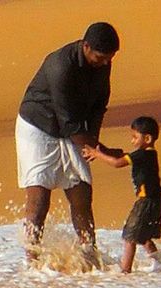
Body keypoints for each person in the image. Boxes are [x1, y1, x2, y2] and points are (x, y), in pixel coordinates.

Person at [16, 22, 123, 265]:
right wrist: (101, 150)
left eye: (110, 58)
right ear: (86, 46)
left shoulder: (102, 63)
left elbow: (98, 107)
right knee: (39, 198)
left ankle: (89, 255)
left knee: (81, 193)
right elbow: (69, 121)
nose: (106, 63)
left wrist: (93, 143)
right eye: (101, 57)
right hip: (38, 126)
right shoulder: (60, 66)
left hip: (72, 129)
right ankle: (32, 262)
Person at [82, 116, 161, 273]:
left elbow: (117, 163)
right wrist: (105, 152)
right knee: (143, 236)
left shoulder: (142, 155)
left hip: (145, 201)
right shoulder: (148, 155)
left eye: (135, 137)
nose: (132, 141)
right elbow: (124, 157)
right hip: (156, 200)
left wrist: (97, 154)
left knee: (129, 236)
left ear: (147, 138)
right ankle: (158, 262)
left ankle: (125, 271)